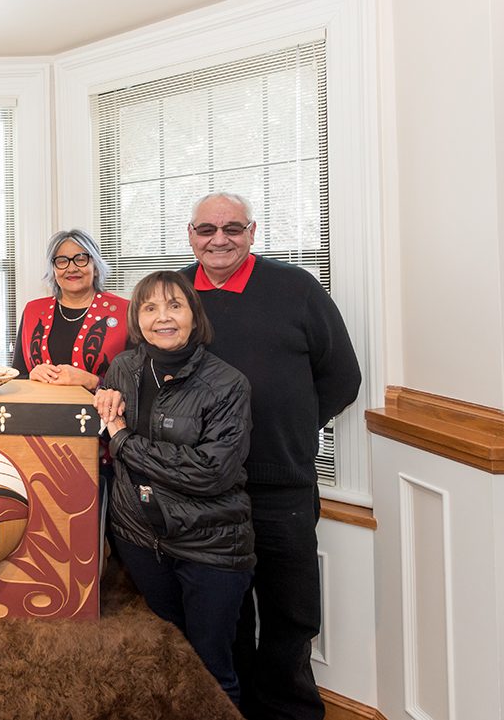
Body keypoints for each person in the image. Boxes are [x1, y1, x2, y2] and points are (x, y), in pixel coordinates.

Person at [183, 192, 361, 720]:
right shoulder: (174, 296)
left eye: (232, 228)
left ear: (253, 232)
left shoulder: (296, 288)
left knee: (291, 612)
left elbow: (342, 377)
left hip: (282, 482)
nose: (220, 239)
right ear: (190, 234)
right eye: (207, 229)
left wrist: (290, 429)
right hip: (205, 489)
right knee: (224, 613)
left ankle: (288, 711)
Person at [94, 270, 254, 705]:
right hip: (139, 541)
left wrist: (124, 439)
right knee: (167, 655)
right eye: (149, 307)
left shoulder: (227, 384)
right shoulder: (123, 368)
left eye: (174, 306)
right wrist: (94, 399)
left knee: (210, 672)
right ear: (136, 319)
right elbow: (102, 421)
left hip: (210, 548)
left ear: (193, 316)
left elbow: (210, 472)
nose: (162, 317)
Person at [12, 228, 128, 391]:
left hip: (100, 415)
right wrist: (31, 376)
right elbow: (17, 376)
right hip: (39, 413)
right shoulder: (33, 311)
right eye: (62, 261)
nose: (71, 268)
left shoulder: (125, 311)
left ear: (95, 267)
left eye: (81, 259)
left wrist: (93, 381)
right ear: (53, 270)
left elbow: (138, 385)